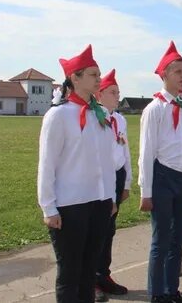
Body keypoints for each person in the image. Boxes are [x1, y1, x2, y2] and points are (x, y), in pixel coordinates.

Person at [37, 44, 116, 303]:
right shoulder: (58, 116)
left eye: (99, 74)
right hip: (70, 206)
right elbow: (47, 164)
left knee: (88, 272)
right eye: (93, 74)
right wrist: (49, 207)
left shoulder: (101, 114)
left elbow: (107, 160)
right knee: (70, 273)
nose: (99, 79)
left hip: (99, 203)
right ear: (75, 78)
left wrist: (110, 197)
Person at [138, 41, 182, 303]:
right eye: (177, 71)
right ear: (164, 75)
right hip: (162, 178)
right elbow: (146, 152)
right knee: (161, 241)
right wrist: (145, 191)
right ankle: (157, 294)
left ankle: (172, 290)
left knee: (178, 240)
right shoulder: (155, 109)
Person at [95, 69, 132, 302]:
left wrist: (126, 182)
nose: (118, 96)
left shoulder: (119, 119)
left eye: (118, 92)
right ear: (99, 94)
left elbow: (125, 151)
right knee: (95, 231)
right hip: (99, 179)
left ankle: (103, 275)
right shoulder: (93, 117)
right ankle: (89, 280)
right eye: (112, 92)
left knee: (109, 230)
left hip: (116, 178)